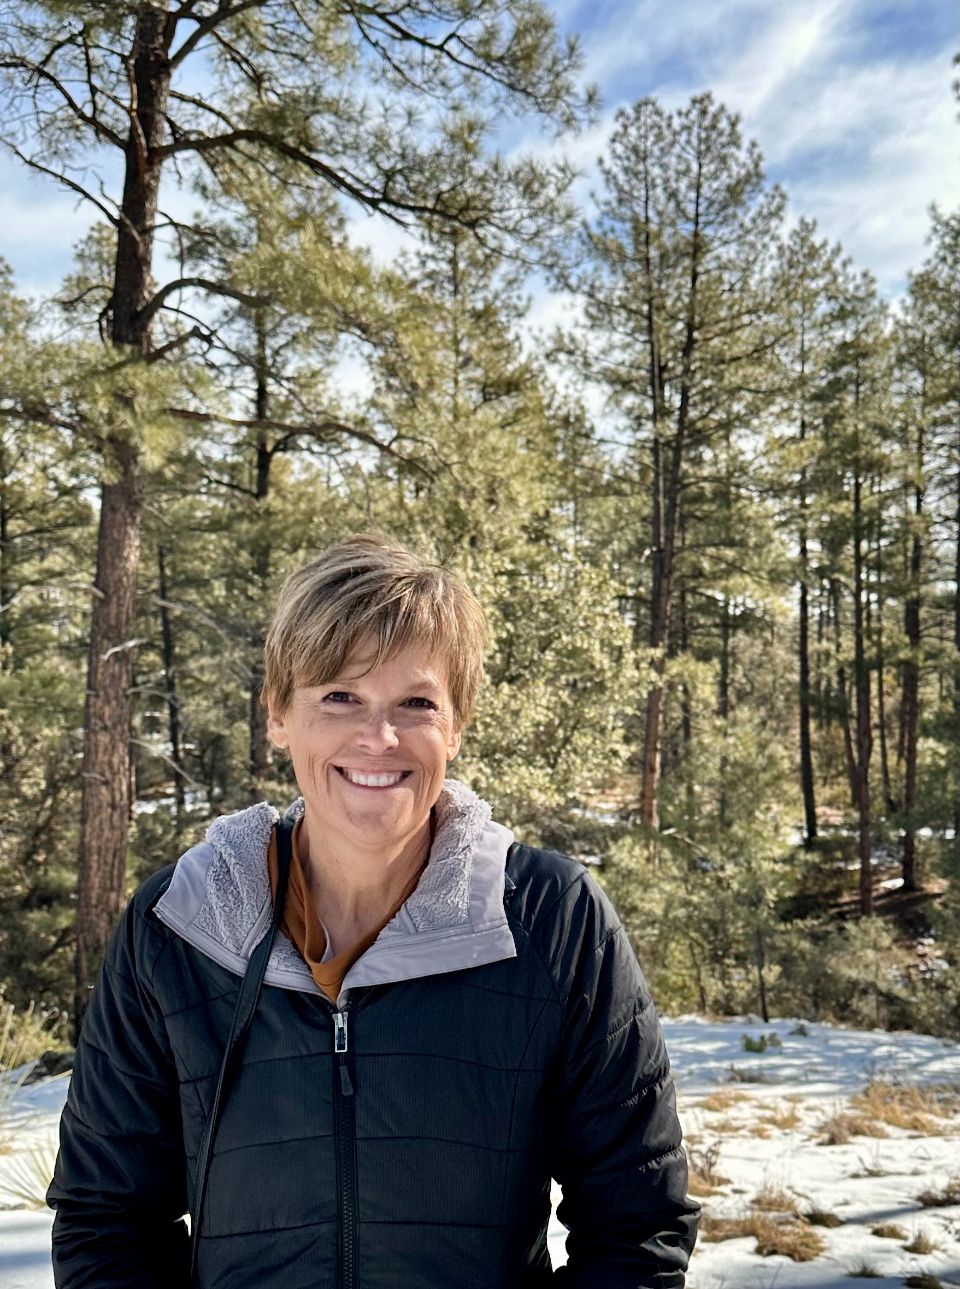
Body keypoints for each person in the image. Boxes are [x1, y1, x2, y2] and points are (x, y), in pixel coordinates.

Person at [47, 533, 701, 1287]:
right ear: (278, 715)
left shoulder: (551, 920)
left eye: (415, 702)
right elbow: (106, 1218)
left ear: (456, 724)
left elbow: (637, 1221)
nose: (377, 737)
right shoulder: (178, 928)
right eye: (339, 696)